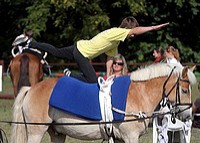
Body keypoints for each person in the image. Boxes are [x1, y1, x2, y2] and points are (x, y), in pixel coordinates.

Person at [14, 16, 169, 83]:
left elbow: (110, 59)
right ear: (129, 29)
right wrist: (154, 27)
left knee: (56, 51)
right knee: (93, 81)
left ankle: (30, 43)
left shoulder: (115, 41)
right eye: (132, 32)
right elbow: (135, 31)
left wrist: (108, 77)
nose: (133, 35)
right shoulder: (118, 32)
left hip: (79, 47)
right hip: (82, 53)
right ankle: (70, 75)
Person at [107, 54, 129, 143]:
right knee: (112, 135)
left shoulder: (126, 79)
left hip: (123, 110)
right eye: (114, 63)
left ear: (122, 66)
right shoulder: (109, 78)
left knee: (125, 136)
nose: (116, 65)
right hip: (110, 110)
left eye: (119, 63)